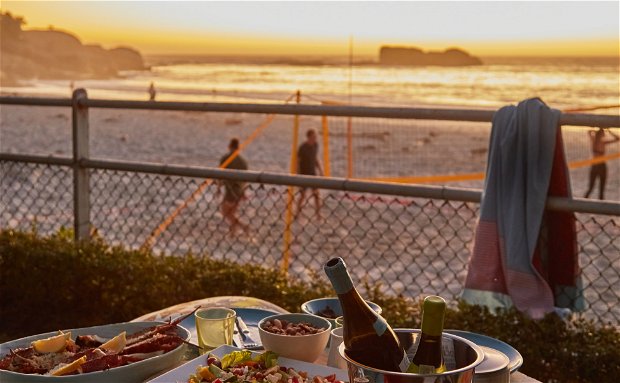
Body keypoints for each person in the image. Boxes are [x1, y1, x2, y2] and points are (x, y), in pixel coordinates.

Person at [217, 138, 249, 235]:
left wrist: (218, 187)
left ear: (229, 146)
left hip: (230, 189)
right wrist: (243, 191)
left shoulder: (226, 158)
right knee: (232, 212)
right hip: (239, 189)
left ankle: (243, 226)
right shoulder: (243, 161)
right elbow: (245, 178)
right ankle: (233, 232)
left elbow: (219, 173)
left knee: (225, 212)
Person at [584, 127, 619, 200]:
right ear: (601, 134)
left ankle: (580, 205)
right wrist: (609, 131)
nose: (604, 135)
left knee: (593, 188)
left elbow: (589, 131)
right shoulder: (601, 142)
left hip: (597, 165)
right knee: (598, 189)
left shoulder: (594, 140)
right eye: (604, 134)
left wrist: (596, 130)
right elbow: (617, 138)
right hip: (600, 166)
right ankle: (582, 205)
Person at [295, 129, 323, 219]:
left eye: (315, 137)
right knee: (302, 195)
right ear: (309, 137)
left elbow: (315, 158)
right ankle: (297, 214)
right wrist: (298, 174)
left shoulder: (315, 145)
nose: (315, 138)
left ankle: (318, 214)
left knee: (316, 195)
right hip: (304, 173)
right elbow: (297, 162)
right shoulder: (302, 147)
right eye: (313, 137)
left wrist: (320, 170)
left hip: (313, 173)